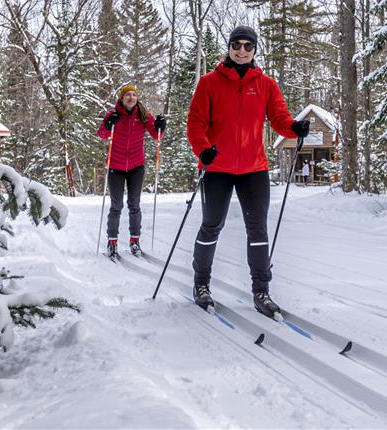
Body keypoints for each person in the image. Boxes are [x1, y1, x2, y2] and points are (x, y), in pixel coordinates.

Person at [186, 26, 310, 318]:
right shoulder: (209, 82)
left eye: (248, 46)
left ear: (255, 50)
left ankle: (261, 291)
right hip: (216, 166)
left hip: (254, 168)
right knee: (211, 225)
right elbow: (195, 122)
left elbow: (278, 116)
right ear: (229, 47)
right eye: (236, 45)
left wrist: (293, 127)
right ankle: (200, 284)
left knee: (258, 229)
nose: (241, 51)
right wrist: (203, 149)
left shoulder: (266, 84)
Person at [97, 83, 166, 258]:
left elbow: (156, 135)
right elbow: (102, 134)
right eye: (127, 95)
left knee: (134, 205)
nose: (131, 98)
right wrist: (108, 124)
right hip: (115, 166)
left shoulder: (143, 115)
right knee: (116, 205)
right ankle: (112, 243)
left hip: (136, 166)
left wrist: (160, 126)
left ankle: (134, 242)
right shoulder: (113, 115)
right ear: (122, 98)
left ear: (137, 98)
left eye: (134, 95)